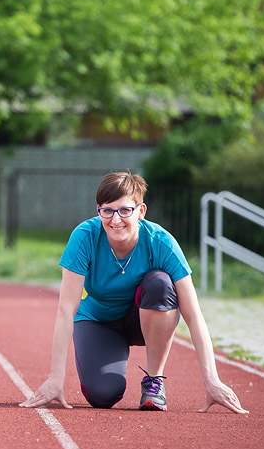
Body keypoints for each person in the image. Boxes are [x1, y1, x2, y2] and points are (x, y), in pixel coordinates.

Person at [21, 171, 247, 414]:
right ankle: (105, 371)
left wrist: (212, 381)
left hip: (144, 317)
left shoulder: (161, 242)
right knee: (103, 395)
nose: (115, 220)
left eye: (125, 210)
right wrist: (56, 378)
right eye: (107, 210)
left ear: (141, 211)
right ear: (98, 211)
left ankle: (154, 381)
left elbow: (193, 314)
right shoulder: (84, 237)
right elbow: (66, 310)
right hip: (100, 321)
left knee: (160, 283)